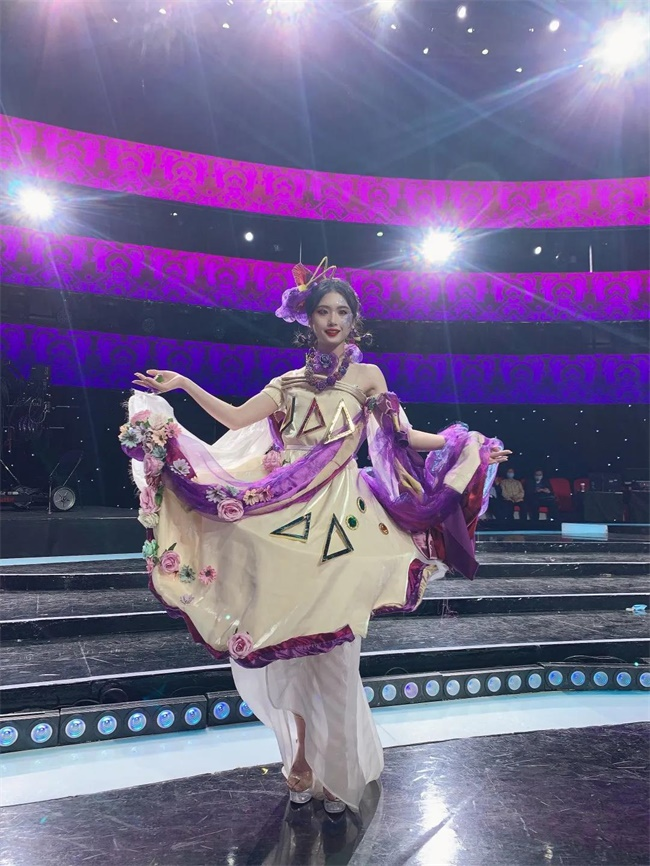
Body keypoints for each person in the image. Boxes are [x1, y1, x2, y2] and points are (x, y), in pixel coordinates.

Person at [122, 259, 511, 814]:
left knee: (334, 653)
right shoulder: (287, 384)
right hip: (284, 512)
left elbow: (401, 436)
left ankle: (331, 768)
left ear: (354, 321)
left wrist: (467, 444)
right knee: (291, 647)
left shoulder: (368, 378)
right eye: (323, 311)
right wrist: (183, 384)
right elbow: (233, 419)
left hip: (344, 515)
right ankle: (302, 759)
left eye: (342, 312)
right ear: (307, 319)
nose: (333, 320)